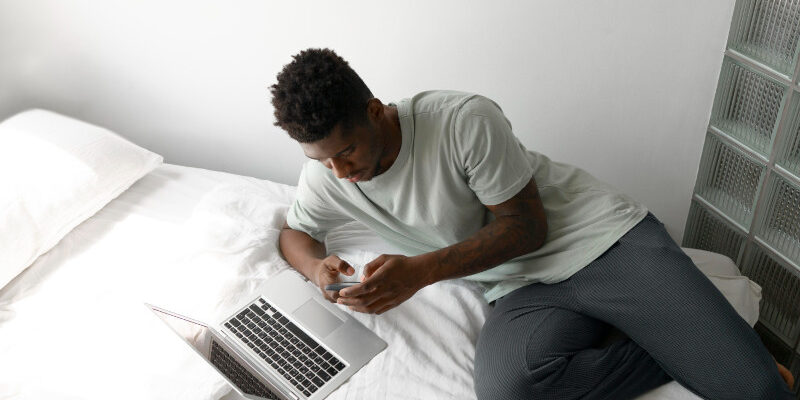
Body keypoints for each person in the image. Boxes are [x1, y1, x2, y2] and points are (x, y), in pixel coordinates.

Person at [270, 48, 795, 399]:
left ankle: (715, 346)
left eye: (346, 152)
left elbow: (525, 229)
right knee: (507, 391)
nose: (341, 173)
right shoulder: (330, 175)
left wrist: (420, 271)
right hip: (518, 286)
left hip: (598, 242)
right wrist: (317, 268)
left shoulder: (462, 120)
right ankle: (675, 344)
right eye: (323, 162)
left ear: (375, 111)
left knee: (759, 391)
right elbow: (294, 234)